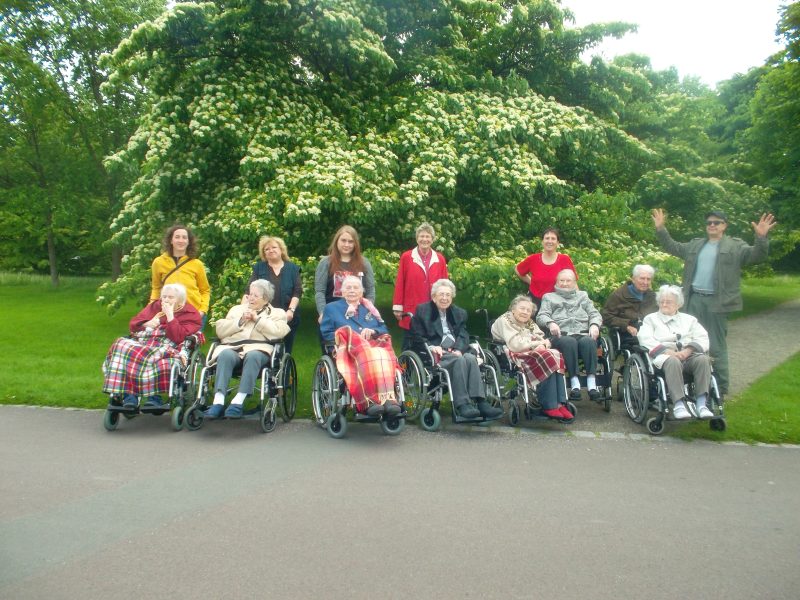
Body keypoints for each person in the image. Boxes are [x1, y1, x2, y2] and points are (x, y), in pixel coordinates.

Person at [652, 208, 776, 398]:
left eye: (716, 222)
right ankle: (691, 382)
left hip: (717, 303)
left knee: (716, 346)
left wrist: (761, 237)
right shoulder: (695, 245)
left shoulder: (735, 246)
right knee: (688, 341)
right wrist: (661, 229)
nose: (712, 225)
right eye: (709, 222)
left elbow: (757, 256)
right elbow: (673, 247)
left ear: (724, 226)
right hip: (693, 300)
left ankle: (720, 387)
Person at [410, 279, 504, 421]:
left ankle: (481, 402)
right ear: (434, 297)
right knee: (459, 360)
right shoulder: (423, 311)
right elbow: (416, 335)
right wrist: (432, 346)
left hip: (455, 352)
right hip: (435, 354)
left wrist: (459, 349)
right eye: (441, 294)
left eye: (448, 295)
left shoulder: (459, 313)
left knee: (470, 358)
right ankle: (462, 404)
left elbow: (463, 334)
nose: (445, 298)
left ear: (452, 297)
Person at [103, 283, 202, 409]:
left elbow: (178, 337)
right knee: (121, 345)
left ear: (181, 300)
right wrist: (147, 323)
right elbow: (134, 324)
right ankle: (130, 397)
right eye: (164, 297)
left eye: (171, 297)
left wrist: (170, 316)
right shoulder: (156, 306)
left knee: (161, 362)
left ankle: (154, 398)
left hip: (169, 344)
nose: (166, 300)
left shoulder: (191, 314)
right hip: (146, 341)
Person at [203, 280, 290, 419]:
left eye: (256, 295)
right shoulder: (237, 310)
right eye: (250, 294)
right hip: (233, 347)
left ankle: (238, 401)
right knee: (225, 355)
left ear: (266, 299)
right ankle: (218, 401)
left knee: (253, 356)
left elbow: (279, 332)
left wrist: (257, 319)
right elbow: (220, 331)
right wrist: (240, 321)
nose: (251, 298)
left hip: (259, 348)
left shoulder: (277, 313)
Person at [320, 276, 402, 417]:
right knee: (367, 355)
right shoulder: (332, 308)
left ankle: (388, 399)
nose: (352, 290)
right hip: (346, 349)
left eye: (356, 287)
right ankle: (369, 402)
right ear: (342, 292)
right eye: (348, 288)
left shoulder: (369, 308)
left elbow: (383, 329)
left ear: (361, 291)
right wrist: (349, 336)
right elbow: (326, 333)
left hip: (372, 347)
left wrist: (373, 331)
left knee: (383, 355)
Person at [491, 295, 573, 421]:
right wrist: (538, 344)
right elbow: (516, 345)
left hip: (531, 352)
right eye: (522, 308)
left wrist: (542, 344)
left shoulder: (529, 323)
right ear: (513, 309)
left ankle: (559, 403)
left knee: (555, 354)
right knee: (548, 357)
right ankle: (549, 405)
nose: (525, 312)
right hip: (513, 354)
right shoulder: (505, 320)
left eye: (528, 310)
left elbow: (541, 337)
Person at [637, 285, 714, 419]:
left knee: (703, 360)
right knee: (673, 361)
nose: (664, 304)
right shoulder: (651, 319)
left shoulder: (689, 320)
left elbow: (702, 337)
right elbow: (644, 338)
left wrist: (688, 351)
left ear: (678, 304)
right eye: (662, 301)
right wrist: (668, 352)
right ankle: (679, 405)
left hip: (689, 356)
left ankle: (702, 405)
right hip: (664, 357)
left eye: (668, 302)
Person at [536, 269, 603, 402]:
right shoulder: (549, 297)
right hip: (561, 335)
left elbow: (594, 313)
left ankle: (591, 383)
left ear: (574, 282)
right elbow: (541, 316)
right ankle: (574, 383)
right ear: (556, 282)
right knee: (569, 342)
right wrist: (551, 323)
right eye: (562, 280)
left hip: (582, 333)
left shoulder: (582, 296)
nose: (565, 283)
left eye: (568, 281)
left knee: (589, 341)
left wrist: (594, 325)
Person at [392, 223, 449, 350]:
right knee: (410, 342)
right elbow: (400, 282)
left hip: (433, 307)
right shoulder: (407, 257)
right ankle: (405, 362)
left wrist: (445, 304)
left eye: (428, 236)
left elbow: (445, 284)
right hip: (412, 307)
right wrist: (398, 306)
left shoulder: (440, 259)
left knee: (432, 342)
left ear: (432, 239)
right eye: (422, 236)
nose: (424, 239)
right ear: (417, 238)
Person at [246, 236, 302, 353]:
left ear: (281, 249)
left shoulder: (293, 268)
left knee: (286, 349)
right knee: (264, 347)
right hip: (264, 315)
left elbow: (297, 291)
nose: (271, 250)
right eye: (267, 249)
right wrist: (244, 309)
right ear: (264, 253)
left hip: (288, 314)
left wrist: (291, 310)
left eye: (274, 247)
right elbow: (249, 291)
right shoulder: (259, 268)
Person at [150, 224, 211, 324]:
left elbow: (205, 290)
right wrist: (151, 309)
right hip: (168, 313)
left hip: (194, 313)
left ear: (188, 241)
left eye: (184, 237)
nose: (181, 240)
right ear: (171, 240)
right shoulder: (158, 262)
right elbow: (156, 288)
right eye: (177, 237)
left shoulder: (197, 264)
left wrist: (202, 310)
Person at [314, 225, 375, 324]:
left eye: (350, 241)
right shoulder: (325, 262)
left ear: (355, 244)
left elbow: (370, 290)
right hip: (332, 315)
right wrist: (323, 313)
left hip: (358, 317)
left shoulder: (364, 263)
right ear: (337, 241)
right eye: (343, 240)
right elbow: (320, 291)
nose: (346, 244)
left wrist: (368, 311)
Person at [601, 264, 658, 350]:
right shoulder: (619, 295)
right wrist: (626, 326)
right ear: (633, 279)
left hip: (650, 334)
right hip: (627, 335)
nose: (645, 282)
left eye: (648, 279)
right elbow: (606, 316)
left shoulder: (653, 297)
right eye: (642, 278)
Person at [515, 227, 576, 305]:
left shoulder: (565, 259)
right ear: (542, 242)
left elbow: (573, 282)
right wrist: (531, 282)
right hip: (534, 303)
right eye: (547, 238)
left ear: (558, 243)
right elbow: (518, 270)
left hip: (557, 303)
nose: (550, 241)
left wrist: (578, 302)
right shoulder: (533, 259)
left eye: (553, 238)